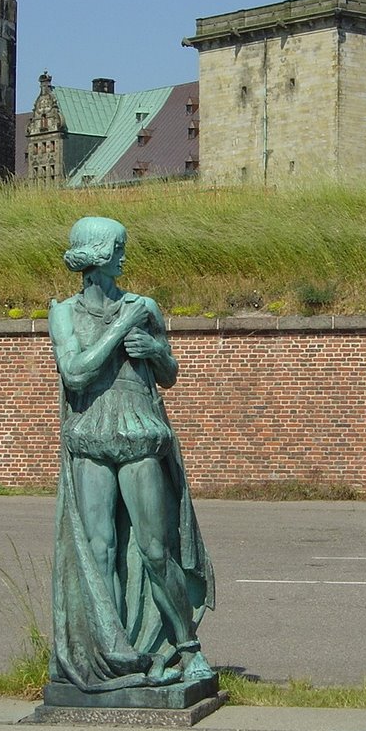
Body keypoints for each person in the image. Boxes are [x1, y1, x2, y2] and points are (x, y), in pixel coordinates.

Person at [47, 216, 214, 692]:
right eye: (117, 247)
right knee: (99, 550)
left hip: (137, 430)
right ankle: (115, 652)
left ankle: (188, 650)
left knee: (155, 549)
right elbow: (75, 372)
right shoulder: (65, 313)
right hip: (91, 435)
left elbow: (170, 373)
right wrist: (120, 330)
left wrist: (155, 351)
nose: (124, 256)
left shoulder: (143, 306)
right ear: (97, 254)